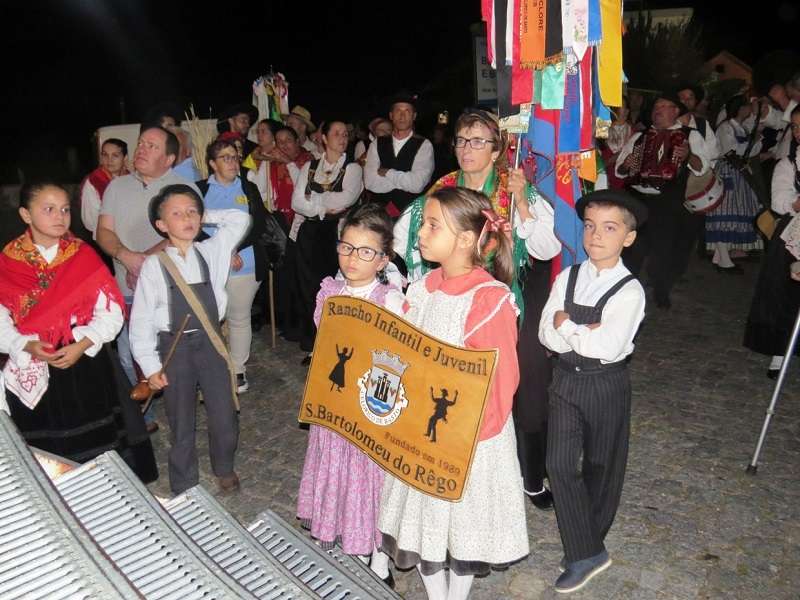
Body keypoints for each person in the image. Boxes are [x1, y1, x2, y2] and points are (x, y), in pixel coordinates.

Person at [395, 109, 561, 510]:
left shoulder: (513, 186)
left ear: (497, 148)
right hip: (452, 302)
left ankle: (530, 475)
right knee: (451, 390)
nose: (468, 149)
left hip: (502, 304)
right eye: (462, 140)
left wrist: (522, 201)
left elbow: (547, 248)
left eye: (478, 141)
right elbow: (406, 238)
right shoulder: (442, 189)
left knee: (525, 392)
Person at [378, 187, 529, 600]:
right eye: (423, 224)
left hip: (468, 439)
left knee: (462, 524)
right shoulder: (423, 287)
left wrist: (468, 437)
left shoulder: (489, 300)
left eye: (431, 226)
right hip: (422, 429)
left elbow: (500, 382)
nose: (419, 235)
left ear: (465, 239)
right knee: (423, 516)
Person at [0, 182, 157, 482]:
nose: (60, 216)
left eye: (64, 209)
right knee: (47, 458)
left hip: (84, 365)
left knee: (99, 450)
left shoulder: (82, 255)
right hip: (35, 364)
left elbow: (110, 311)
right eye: (48, 209)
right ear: (25, 214)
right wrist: (24, 344)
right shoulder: (8, 262)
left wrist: (82, 343)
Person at [538, 189, 647, 594]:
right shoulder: (568, 276)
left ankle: (589, 543)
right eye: (589, 226)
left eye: (609, 228)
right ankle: (587, 553)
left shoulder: (629, 291)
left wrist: (568, 325)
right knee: (560, 464)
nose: (596, 235)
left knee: (602, 466)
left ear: (628, 238)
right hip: (565, 379)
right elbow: (545, 333)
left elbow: (606, 347)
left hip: (606, 384)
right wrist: (577, 332)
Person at [296, 204, 403, 584]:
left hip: (371, 406)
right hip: (335, 403)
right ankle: (346, 540)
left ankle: (376, 555)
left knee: (369, 478)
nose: (352, 258)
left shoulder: (389, 299)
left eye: (365, 251)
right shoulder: (329, 291)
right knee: (338, 472)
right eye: (346, 247)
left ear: (383, 259)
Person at [130, 184, 249, 495]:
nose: (187, 218)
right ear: (161, 225)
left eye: (192, 211)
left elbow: (240, 219)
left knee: (224, 413)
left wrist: (204, 213)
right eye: (176, 213)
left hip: (211, 344)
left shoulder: (213, 251)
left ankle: (224, 466)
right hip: (174, 348)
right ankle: (184, 482)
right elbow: (141, 321)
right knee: (181, 419)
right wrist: (150, 366)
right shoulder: (154, 266)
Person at [97, 126, 200, 432]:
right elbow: (103, 231)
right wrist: (126, 256)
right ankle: (144, 414)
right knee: (129, 354)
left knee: (174, 352)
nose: (141, 149)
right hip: (126, 287)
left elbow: (183, 232)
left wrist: (145, 262)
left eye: (152, 146)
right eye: (141, 144)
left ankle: (182, 410)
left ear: (169, 158)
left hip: (170, 288)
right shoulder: (116, 187)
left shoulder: (183, 188)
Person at [615, 92, 711, 309]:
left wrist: (688, 156)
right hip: (637, 199)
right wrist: (627, 165)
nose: (657, 110)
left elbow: (702, 167)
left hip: (667, 201)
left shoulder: (690, 136)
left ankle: (661, 290)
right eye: (655, 106)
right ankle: (624, 290)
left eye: (663, 105)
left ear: (676, 111)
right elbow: (621, 170)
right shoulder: (640, 136)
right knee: (631, 248)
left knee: (665, 249)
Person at [196, 139, 270, 393]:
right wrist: (224, 248)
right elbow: (191, 226)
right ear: (212, 163)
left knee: (239, 318)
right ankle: (213, 368)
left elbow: (258, 225)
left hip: (245, 265)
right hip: (209, 266)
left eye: (234, 157)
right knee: (210, 318)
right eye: (225, 157)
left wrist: (235, 247)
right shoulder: (199, 190)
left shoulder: (248, 188)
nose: (232, 162)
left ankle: (238, 369)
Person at [292, 120, 363, 363]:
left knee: (335, 289)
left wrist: (315, 199)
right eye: (337, 133)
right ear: (324, 138)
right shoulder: (309, 167)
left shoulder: (352, 168)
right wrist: (323, 206)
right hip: (310, 234)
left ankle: (337, 343)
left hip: (338, 234)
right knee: (309, 290)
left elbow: (349, 197)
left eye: (346, 134)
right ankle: (315, 344)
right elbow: (296, 202)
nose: (342, 138)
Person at [745, 105, 800, 379]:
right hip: (794, 234)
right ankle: (780, 353)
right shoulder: (789, 163)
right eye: (797, 127)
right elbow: (780, 202)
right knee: (786, 295)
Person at [707, 95, 764, 272]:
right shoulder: (726, 127)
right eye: (747, 106)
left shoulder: (740, 128)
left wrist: (754, 141)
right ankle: (724, 260)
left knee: (732, 211)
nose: (749, 109)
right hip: (728, 173)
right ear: (740, 108)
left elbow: (751, 151)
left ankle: (720, 258)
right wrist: (752, 142)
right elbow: (730, 150)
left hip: (739, 174)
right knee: (724, 212)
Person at [364, 93, 434, 218]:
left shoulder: (424, 145)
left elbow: (417, 185)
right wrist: (405, 179)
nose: (402, 115)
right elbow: (370, 182)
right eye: (398, 111)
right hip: (378, 215)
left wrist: (388, 173)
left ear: (414, 116)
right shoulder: (377, 143)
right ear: (391, 115)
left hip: (410, 214)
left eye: (407, 111)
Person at [80, 138, 129, 235]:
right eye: (105, 155)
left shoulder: (131, 179)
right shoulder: (94, 181)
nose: (109, 160)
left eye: (115, 155)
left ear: (125, 158)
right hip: (102, 236)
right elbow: (91, 222)